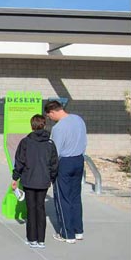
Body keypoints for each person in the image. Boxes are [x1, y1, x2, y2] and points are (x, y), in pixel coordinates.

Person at [12, 115, 58, 249]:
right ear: (44, 125)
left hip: (29, 180)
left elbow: (19, 161)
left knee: (31, 209)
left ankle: (31, 238)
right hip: (43, 180)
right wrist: (52, 178)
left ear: (32, 126)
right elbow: (54, 163)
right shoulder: (50, 144)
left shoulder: (25, 142)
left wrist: (15, 178)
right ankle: (41, 240)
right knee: (40, 208)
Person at [44, 100, 87, 244]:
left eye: (49, 116)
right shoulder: (78, 119)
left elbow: (55, 152)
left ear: (53, 111)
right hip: (79, 160)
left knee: (63, 198)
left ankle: (67, 234)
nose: (50, 119)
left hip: (64, 163)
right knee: (75, 197)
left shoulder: (58, 128)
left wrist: (50, 170)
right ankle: (78, 230)